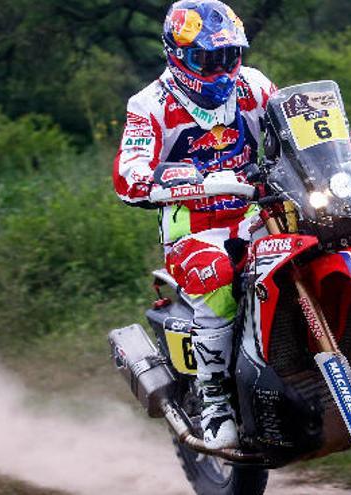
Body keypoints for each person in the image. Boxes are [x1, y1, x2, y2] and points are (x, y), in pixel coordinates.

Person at [112, 0, 276, 449]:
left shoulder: (253, 85)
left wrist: (340, 141)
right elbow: (129, 172)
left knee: (318, 241)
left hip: (256, 215)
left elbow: (293, 129)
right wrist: (160, 178)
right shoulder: (150, 104)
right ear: (179, 54)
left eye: (229, 56)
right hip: (193, 229)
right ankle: (215, 400)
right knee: (219, 281)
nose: (223, 69)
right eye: (209, 58)